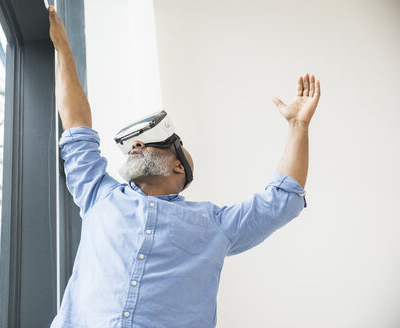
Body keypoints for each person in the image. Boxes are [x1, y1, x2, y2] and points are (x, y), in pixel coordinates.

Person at [47, 5, 320, 328]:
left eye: (148, 143)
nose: (136, 145)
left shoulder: (213, 224)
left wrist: (297, 128)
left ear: (178, 167)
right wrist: (63, 46)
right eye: (135, 143)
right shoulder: (98, 194)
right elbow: (77, 125)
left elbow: (282, 201)